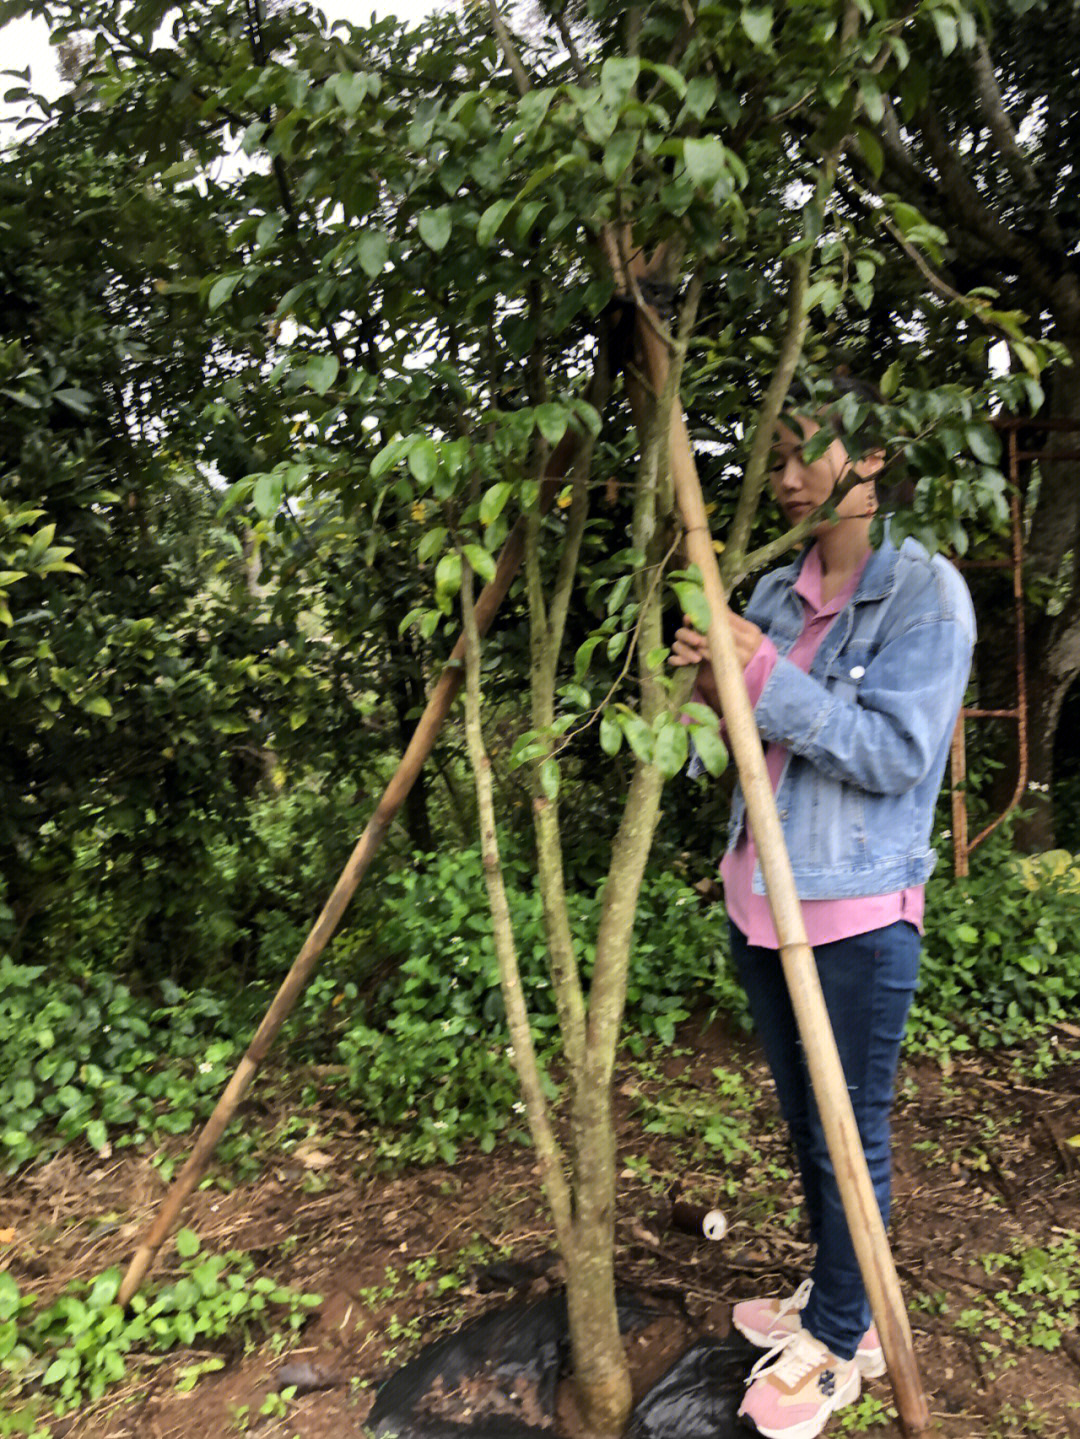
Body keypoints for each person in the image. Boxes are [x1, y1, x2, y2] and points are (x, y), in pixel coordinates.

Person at [670, 387, 975, 1439]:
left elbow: (895, 754)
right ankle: (843, 1293)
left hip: (850, 915)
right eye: (777, 456)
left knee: (854, 1132)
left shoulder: (925, 594)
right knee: (807, 1125)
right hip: (762, 904)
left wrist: (756, 672)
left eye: (808, 453)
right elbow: (751, 757)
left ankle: (842, 1340)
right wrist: (714, 693)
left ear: (874, 457)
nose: (788, 475)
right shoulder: (775, 592)